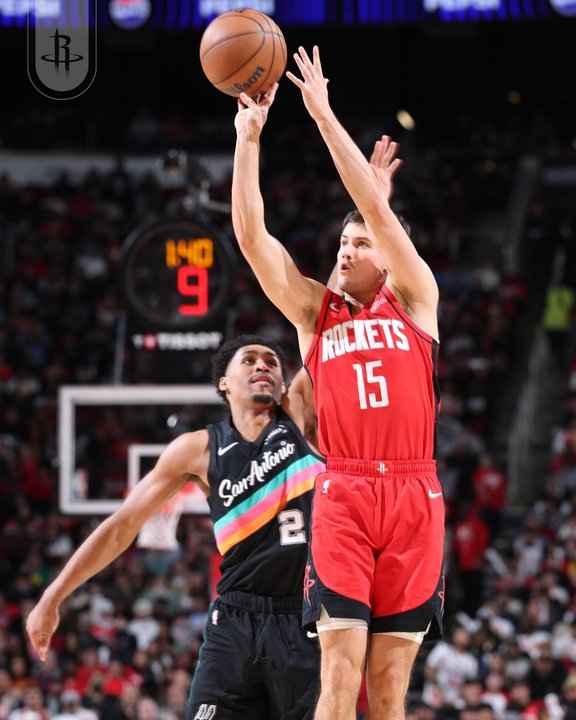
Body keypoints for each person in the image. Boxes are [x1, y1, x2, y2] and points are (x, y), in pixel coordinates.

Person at [232, 45, 444, 720]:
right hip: (345, 491)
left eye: (359, 244)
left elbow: (377, 216)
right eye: (341, 244)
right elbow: (254, 242)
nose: (345, 251)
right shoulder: (314, 315)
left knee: (388, 689)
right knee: (338, 674)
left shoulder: (416, 299)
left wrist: (322, 113)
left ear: (388, 257)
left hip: (414, 493)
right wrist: (248, 139)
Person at [26, 335, 325, 720]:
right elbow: (121, 526)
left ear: (284, 384)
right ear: (224, 382)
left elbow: (324, 328)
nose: (262, 365)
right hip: (235, 620)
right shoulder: (198, 449)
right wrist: (53, 596)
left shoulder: (297, 414)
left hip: (304, 614)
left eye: (271, 361)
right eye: (249, 359)